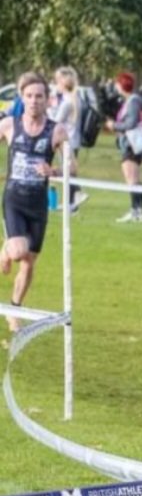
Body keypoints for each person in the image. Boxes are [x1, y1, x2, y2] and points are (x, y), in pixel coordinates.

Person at [0, 72, 69, 331]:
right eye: (29, 96)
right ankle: (6, 250)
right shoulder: (9, 125)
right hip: (14, 200)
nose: (34, 101)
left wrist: (53, 172)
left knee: (29, 262)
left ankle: (14, 308)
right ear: (22, 98)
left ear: (47, 99)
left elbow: (72, 167)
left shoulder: (57, 130)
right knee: (18, 251)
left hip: (38, 204)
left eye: (39, 96)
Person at [110, 72, 142, 223]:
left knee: (132, 178)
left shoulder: (132, 102)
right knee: (135, 178)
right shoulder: (131, 101)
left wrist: (114, 125)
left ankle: (136, 210)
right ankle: (139, 211)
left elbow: (131, 123)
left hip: (131, 144)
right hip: (129, 143)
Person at [51, 67, 88, 212]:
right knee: (69, 170)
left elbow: (56, 120)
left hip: (67, 140)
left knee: (68, 171)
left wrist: (49, 109)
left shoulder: (67, 102)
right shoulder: (77, 99)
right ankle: (71, 203)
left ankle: (77, 194)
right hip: (75, 139)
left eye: (57, 82)